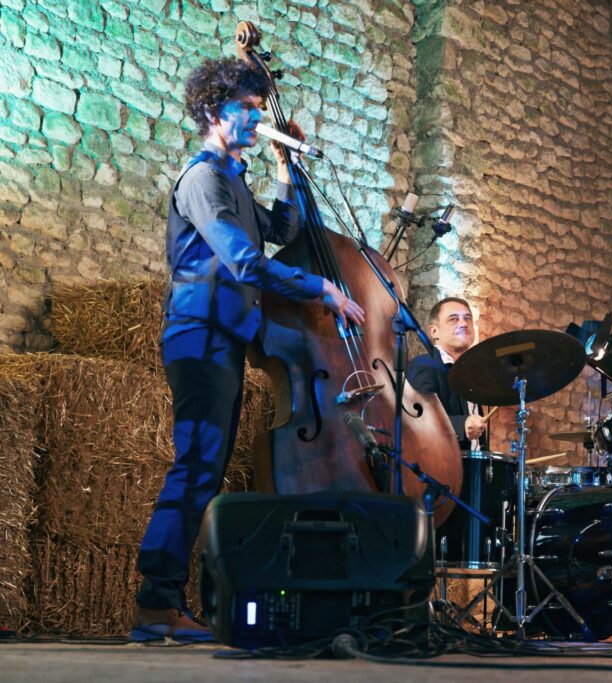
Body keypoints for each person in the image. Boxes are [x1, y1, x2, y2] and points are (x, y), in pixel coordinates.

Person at [131, 58, 364, 642]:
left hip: (223, 339)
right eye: (249, 109)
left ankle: (163, 604)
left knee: (203, 471)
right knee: (196, 468)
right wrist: (319, 288)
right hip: (199, 335)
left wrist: (287, 169)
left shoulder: (232, 180)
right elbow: (242, 260)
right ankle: (155, 602)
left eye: (262, 110)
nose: (258, 120)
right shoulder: (203, 178)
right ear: (215, 111)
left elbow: (280, 230)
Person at [408, 297, 488, 450]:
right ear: (434, 331)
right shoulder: (423, 365)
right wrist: (461, 426)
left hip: (472, 469)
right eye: (453, 319)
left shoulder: (468, 373)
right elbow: (417, 420)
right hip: (441, 469)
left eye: (468, 318)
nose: (464, 324)